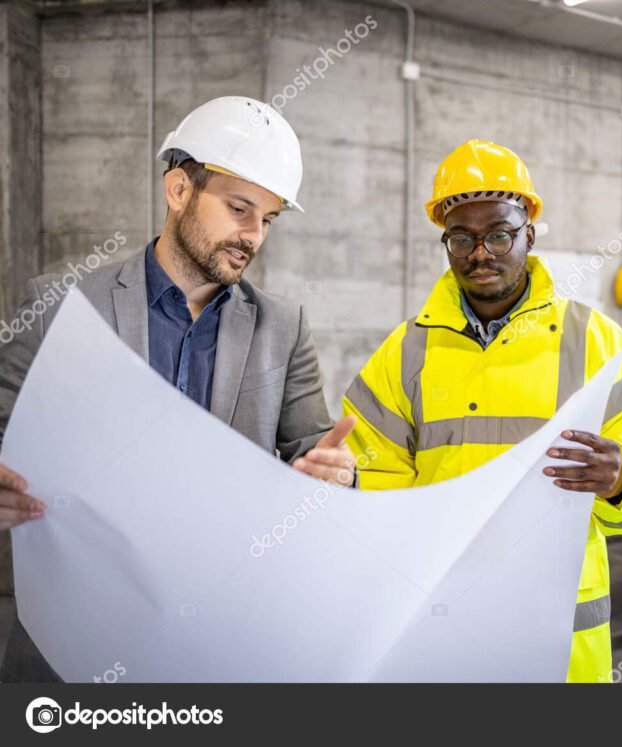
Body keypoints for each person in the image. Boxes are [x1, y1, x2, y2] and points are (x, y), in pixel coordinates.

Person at [0, 96, 357, 682]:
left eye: (268, 219)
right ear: (179, 190)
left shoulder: (282, 327)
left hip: (215, 642)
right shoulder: (61, 306)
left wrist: (334, 475)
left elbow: (312, 453)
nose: (254, 236)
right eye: (240, 208)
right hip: (71, 642)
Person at [341, 139, 622, 683]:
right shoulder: (404, 353)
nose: (481, 253)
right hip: (441, 617)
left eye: (499, 233)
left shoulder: (595, 342)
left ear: (528, 233)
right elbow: (373, 480)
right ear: (446, 242)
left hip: (559, 636)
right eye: (461, 238)